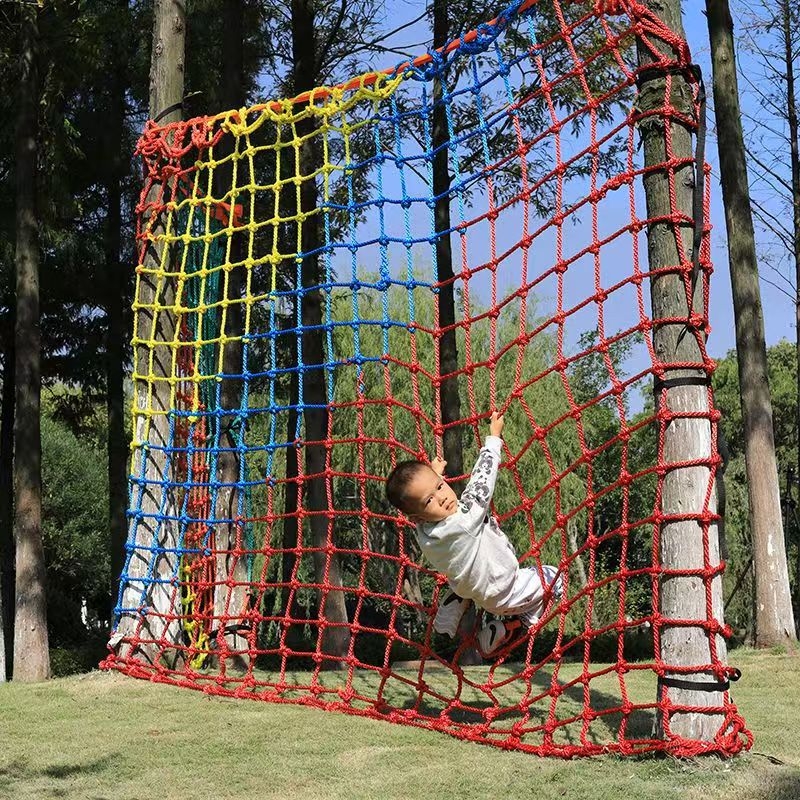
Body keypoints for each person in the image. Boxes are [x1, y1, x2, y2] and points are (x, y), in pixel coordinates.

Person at [385, 411, 562, 656]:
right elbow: (482, 479)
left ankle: (457, 600)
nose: (443, 498)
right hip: (505, 588)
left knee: (461, 573)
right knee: (555, 578)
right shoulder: (465, 518)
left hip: (473, 586)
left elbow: (421, 506)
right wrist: (493, 438)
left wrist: (433, 476)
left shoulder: (424, 532)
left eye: (439, 487)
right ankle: (509, 628)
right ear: (418, 515)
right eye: (430, 501)